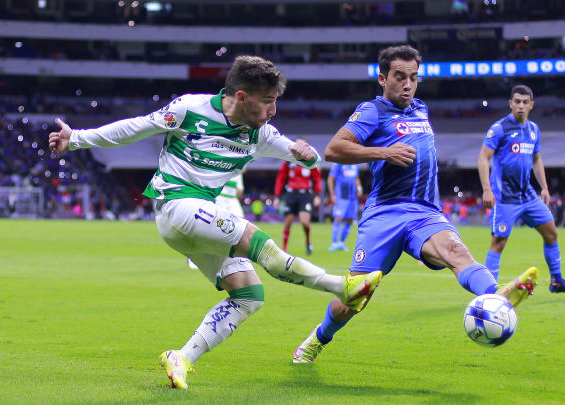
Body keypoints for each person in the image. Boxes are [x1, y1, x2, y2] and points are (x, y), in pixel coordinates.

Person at [47, 55, 382, 389]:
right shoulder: (189, 109)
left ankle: (182, 357)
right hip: (177, 205)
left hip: (196, 223)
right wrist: (75, 138)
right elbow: (137, 127)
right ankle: (343, 286)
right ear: (241, 96)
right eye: (267, 101)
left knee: (249, 295)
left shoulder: (259, 133)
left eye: (275, 101)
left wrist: (306, 153)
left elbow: (300, 153)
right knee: (265, 248)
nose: (272, 110)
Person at [291, 45, 538, 364]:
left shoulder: (420, 108)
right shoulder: (372, 111)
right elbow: (334, 149)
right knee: (354, 299)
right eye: (399, 77)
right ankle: (318, 338)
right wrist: (384, 152)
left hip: (425, 213)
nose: (407, 84)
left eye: (413, 78)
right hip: (385, 215)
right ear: (382, 78)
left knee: (457, 253)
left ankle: (495, 296)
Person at [477, 84, 565, 295]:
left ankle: (556, 281)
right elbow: (482, 157)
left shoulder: (534, 129)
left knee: (551, 233)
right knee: (498, 242)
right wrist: (487, 189)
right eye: (517, 101)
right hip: (505, 198)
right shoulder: (499, 128)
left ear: (532, 105)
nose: (521, 106)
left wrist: (544, 187)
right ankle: (487, 293)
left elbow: (537, 160)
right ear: (510, 103)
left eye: (525, 102)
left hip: (528, 196)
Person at [187, 172, 244, 269]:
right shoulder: (227, 167)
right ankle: (195, 257)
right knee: (208, 231)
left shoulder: (238, 172)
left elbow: (239, 191)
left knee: (238, 231)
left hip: (231, 202)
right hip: (220, 201)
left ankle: (229, 259)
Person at [273, 145, 322, 255]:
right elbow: (281, 179)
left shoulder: (311, 162)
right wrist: (277, 197)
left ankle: (308, 242)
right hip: (291, 194)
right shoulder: (288, 161)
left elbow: (317, 179)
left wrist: (317, 195)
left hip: (305, 195)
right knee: (288, 222)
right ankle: (284, 249)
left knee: (304, 222)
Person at [327, 163, 363, 251]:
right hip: (341, 197)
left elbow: (356, 178)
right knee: (338, 218)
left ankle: (341, 242)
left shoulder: (355, 164)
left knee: (350, 219)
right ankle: (334, 243)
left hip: (352, 197)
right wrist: (332, 195)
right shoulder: (338, 163)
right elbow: (330, 179)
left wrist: (359, 188)